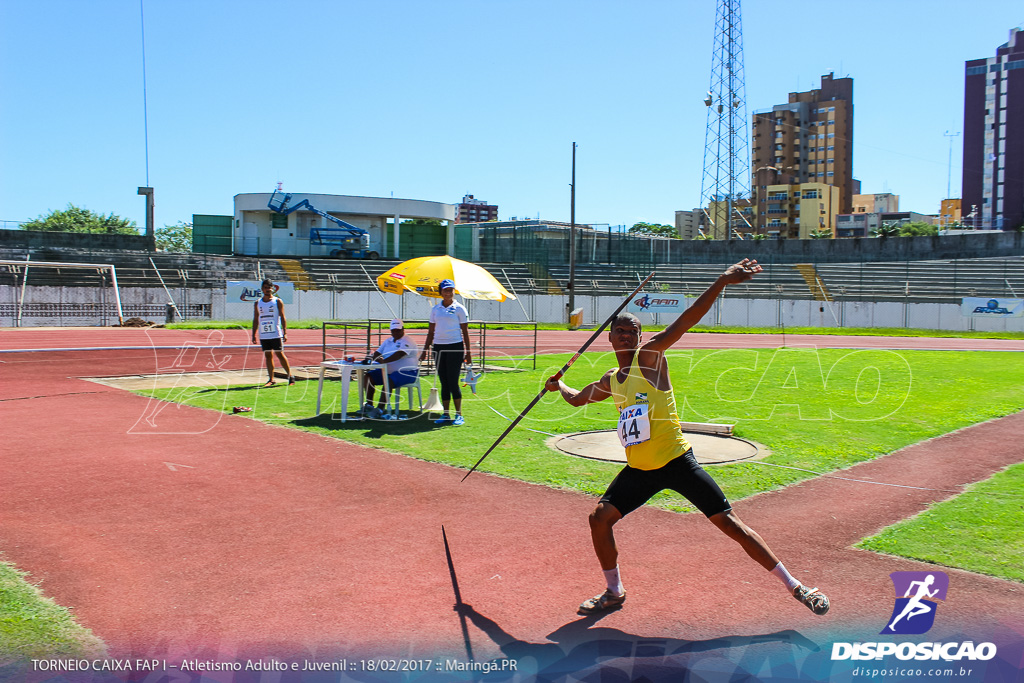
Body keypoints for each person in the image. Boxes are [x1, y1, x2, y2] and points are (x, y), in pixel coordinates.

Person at [543, 259, 830, 617]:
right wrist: (559, 386)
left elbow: (685, 321)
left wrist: (722, 281)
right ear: (611, 337)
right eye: (621, 331)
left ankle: (797, 586)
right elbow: (579, 396)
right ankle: (614, 592)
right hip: (640, 470)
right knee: (599, 518)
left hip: (677, 462)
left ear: (641, 337)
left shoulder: (650, 359)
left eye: (633, 330)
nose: (627, 335)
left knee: (729, 523)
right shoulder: (610, 379)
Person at [419, 279, 472, 426]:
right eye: (445, 290)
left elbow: (465, 332)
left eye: (451, 289)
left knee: (453, 382)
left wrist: (468, 352)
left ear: (454, 291)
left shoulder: (460, 308)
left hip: (455, 347)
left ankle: (459, 415)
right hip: (438, 348)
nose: (448, 292)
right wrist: (425, 350)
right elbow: (430, 332)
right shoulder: (435, 310)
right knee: (444, 382)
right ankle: (446, 414)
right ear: (440, 292)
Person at [361, 319, 420, 419]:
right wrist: (371, 358)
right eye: (394, 331)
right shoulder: (388, 341)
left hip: (407, 372)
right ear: (391, 331)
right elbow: (377, 353)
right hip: (386, 371)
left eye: (398, 330)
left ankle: (380, 409)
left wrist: (384, 361)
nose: (396, 333)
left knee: (389, 380)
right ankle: (369, 405)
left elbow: (400, 354)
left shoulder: (408, 341)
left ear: (403, 329)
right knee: (368, 376)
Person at [251, 279, 294, 387]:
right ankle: (271, 379)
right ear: (262, 289)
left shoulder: (277, 301)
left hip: (275, 333)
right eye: (265, 288)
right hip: (264, 334)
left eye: (269, 288)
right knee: (268, 355)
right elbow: (256, 319)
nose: (267, 290)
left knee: (280, 354)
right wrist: (253, 334)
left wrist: (285, 332)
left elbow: (283, 317)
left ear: (272, 289)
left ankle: (290, 376)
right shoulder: (258, 302)